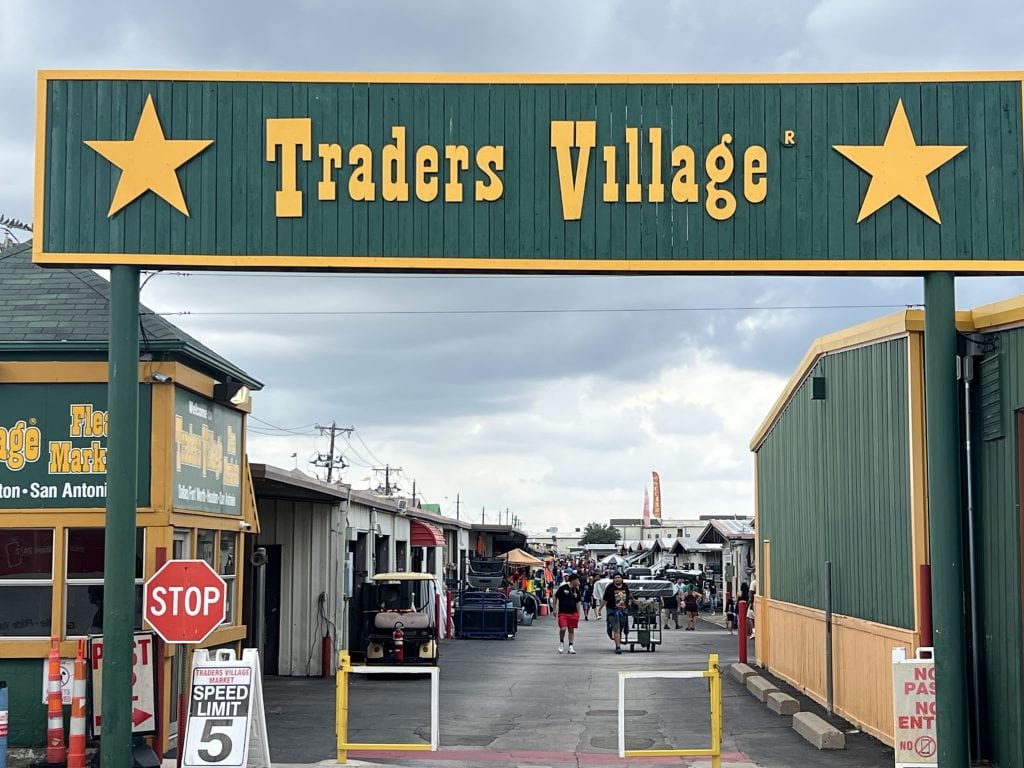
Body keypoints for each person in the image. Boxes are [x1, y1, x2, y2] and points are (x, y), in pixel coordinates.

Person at [602, 572, 632, 654]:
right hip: (613, 612)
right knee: (616, 629)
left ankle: (618, 641)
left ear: (622, 579)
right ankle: (618, 647)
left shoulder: (625, 586)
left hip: (623, 611)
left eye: (619, 577)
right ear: (613, 579)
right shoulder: (610, 587)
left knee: (620, 629)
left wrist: (631, 602)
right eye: (615, 578)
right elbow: (605, 599)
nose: (617, 579)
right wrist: (599, 609)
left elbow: (629, 596)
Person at [553, 572, 582, 654]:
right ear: (573, 580)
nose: (578, 582)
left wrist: (578, 614)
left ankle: (571, 646)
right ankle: (561, 642)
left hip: (573, 613)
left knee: (571, 629)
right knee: (563, 628)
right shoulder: (563, 588)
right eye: (577, 580)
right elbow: (555, 597)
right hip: (563, 612)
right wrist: (554, 609)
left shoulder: (576, 590)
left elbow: (578, 603)